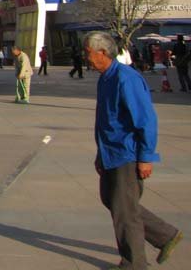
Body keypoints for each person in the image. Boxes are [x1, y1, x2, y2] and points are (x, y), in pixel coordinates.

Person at [84, 31, 183, 269]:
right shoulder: (106, 78)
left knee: (124, 212)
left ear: (103, 52)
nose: (85, 58)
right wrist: (100, 154)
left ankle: (134, 263)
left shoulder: (126, 78)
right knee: (113, 200)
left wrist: (145, 157)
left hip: (126, 154)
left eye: (88, 53)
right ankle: (166, 235)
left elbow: (146, 119)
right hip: (110, 153)